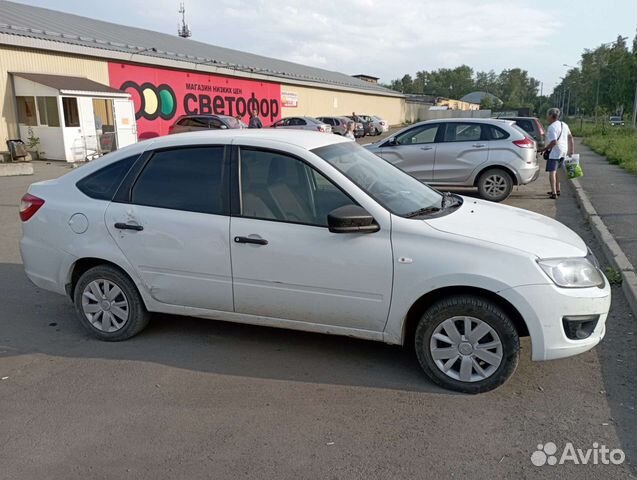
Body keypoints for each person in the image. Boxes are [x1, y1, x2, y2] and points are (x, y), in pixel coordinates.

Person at [540, 107, 574, 199]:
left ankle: (554, 192)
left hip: (555, 153)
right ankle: (558, 190)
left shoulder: (551, 127)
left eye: (548, 115)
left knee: (552, 172)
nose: (547, 117)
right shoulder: (564, 124)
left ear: (551, 116)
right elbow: (571, 137)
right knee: (558, 172)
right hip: (564, 151)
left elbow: (554, 142)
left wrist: (544, 149)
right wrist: (571, 151)